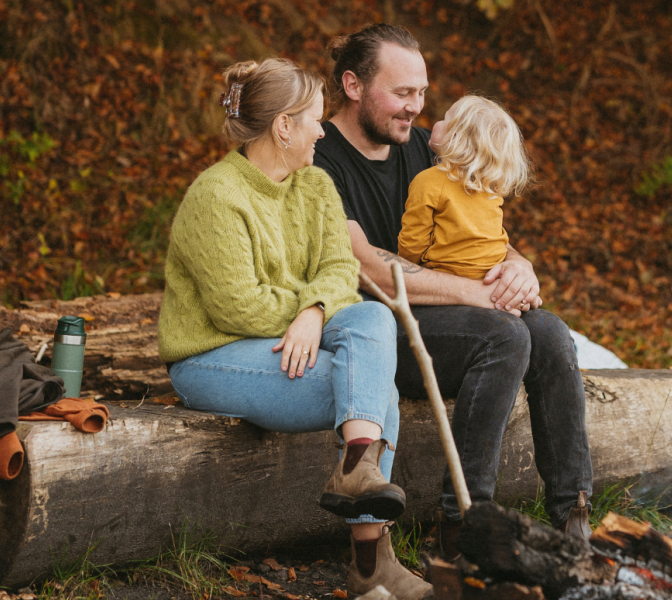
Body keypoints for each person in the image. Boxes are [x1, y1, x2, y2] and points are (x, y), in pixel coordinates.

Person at [313, 24, 594, 557]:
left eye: (421, 92)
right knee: (504, 336)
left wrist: (519, 267)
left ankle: (573, 517)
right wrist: (478, 296)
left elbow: (481, 232)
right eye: (402, 93)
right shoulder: (321, 160)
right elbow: (366, 265)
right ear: (352, 85)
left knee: (551, 333)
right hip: (375, 331)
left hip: (454, 319)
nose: (416, 107)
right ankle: (466, 520)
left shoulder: (423, 147)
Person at [158, 57, 432, 600]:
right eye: (314, 119)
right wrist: (308, 309)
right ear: (284, 126)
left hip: (289, 341)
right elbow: (239, 308)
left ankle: (356, 471)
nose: (322, 130)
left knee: (374, 317)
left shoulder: (316, 185)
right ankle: (370, 564)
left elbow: (338, 271)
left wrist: (313, 313)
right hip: (213, 357)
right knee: (371, 394)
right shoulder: (216, 196)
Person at [397, 95, 530, 279]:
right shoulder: (489, 185)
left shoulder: (428, 181)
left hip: (448, 276)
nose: (437, 122)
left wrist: (403, 266)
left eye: (444, 119)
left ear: (455, 137)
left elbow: (414, 241)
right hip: (493, 274)